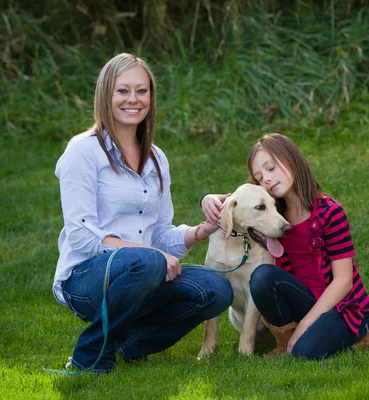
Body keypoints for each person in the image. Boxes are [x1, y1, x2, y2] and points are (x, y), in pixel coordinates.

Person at [52, 53, 233, 373]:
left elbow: (160, 233)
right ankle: (88, 360)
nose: (133, 99)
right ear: (105, 96)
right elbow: (81, 234)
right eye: (122, 91)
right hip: (86, 280)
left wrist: (200, 231)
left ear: (151, 96)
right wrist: (150, 255)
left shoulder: (157, 159)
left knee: (217, 289)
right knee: (146, 260)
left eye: (142, 90)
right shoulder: (83, 150)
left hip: (143, 274)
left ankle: (131, 344)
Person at [202, 133, 369, 360]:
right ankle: (284, 339)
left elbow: (343, 281)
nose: (266, 179)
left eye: (271, 168)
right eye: (259, 177)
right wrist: (206, 198)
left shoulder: (330, 212)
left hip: (342, 306)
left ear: (292, 160)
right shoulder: (270, 218)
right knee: (263, 276)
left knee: (306, 351)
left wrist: (306, 324)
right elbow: (238, 203)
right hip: (302, 301)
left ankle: (367, 333)